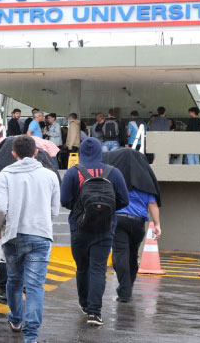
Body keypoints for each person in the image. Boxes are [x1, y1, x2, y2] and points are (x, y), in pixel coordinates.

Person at [0, 135, 60, 343]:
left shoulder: (5, 174)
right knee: (34, 286)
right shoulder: (50, 175)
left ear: (14, 154)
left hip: (12, 236)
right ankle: (31, 336)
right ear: (36, 152)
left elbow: (1, 208)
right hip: (40, 235)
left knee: (14, 279)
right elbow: (55, 210)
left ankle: (15, 320)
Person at [61, 138, 129, 326]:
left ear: (81, 152)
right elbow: (124, 200)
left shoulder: (73, 173)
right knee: (98, 269)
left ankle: (84, 304)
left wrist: (80, 209)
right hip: (105, 229)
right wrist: (105, 211)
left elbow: (64, 200)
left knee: (82, 268)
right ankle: (94, 312)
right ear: (101, 152)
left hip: (79, 228)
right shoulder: (113, 173)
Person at [112, 165, 161, 303]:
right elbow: (153, 205)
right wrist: (157, 225)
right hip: (138, 224)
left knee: (120, 254)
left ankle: (125, 290)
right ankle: (128, 287)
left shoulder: (118, 182)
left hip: (119, 220)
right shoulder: (145, 185)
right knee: (132, 255)